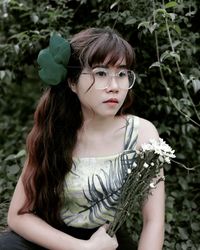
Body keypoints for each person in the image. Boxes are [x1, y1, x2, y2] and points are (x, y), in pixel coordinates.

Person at [0, 27, 165, 250]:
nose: (114, 87)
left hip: (106, 240)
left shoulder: (141, 133)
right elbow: (19, 216)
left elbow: (153, 221)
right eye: (100, 73)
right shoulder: (54, 132)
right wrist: (83, 248)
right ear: (72, 82)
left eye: (122, 74)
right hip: (52, 239)